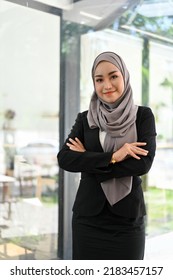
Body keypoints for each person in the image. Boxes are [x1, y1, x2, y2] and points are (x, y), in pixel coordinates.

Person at [57, 51, 156, 260]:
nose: (107, 85)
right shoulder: (85, 119)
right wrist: (114, 156)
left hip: (127, 220)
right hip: (88, 220)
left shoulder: (142, 116)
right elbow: (65, 158)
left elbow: (143, 165)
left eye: (113, 76)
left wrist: (87, 160)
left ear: (124, 76)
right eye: (99, 79)